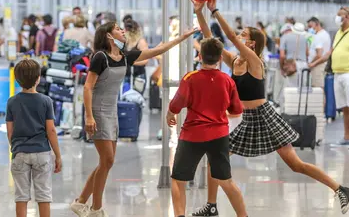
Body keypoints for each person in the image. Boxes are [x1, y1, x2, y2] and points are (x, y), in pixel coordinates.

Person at [192, 0, 349, 216]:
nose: (238, 37)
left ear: (251, 43)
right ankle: (212, 206)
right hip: (244, 119)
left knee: (296, 165)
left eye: (243, 36)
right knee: (216, 157)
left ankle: (340, 188)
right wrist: (200, 12)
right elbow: (210, 38)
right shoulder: (235, 61)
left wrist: (215, 10)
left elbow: (228, 35)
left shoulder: (255, 62)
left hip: (264, 116)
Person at [69, 22, 198, 217]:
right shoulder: (99, 57)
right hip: (98, 110)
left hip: (111, 110)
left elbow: (157, 50)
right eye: (118, 29)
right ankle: (96, 209)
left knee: (106, 162)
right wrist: (89, 116)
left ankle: (80, 202)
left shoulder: (124, 57)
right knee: (108, 160)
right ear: (108, 36)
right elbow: (88, 87)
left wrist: (182, 38)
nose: (122, 31)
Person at [168, 37, 248, 217]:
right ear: (220, 58)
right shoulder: (227, 80)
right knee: (226, 181)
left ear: (200, 56)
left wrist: (170, 113)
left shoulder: (190, 78)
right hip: (219, 136)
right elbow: (236, 110)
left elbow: (176, 104)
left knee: (178, 180)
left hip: (192, 135)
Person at [6, 59, 62, 217]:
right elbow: (51, 130)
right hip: (42, 153)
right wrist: (57, 155)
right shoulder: (46, 101)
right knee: (44, 195)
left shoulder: (12, 102)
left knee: (21, 197)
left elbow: (10, 131)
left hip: (20, 153)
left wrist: (15, 147)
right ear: (38, 78)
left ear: (17, 80)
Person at [313, 7, 349, 147]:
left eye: (340, 16)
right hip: (337, 73)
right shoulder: (339, 32)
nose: (337, 18)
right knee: (344, 107)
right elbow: (330, 53)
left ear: (348, 16)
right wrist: (314, 63)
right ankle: (347, 137)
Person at [279, 22, 308, 87]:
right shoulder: (304, 37)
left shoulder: (284, 37)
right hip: (304, 65)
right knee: (302, 90)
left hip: (292, 66)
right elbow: (307, 53)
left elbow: (282, 56)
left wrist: (281, 68)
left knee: (291, 91)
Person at [124, 20, 149, 94]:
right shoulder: (125, 42)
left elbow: (146, 60)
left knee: (136, 99)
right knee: (125, 99)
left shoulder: (141, 42)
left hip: (138, 76)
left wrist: (132, 62)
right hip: (126, 75)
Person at [306, 17, 331, 88]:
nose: (309, 29)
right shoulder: (325, 34)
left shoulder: (318, 36)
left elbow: (319, 54)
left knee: (318, 89)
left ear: (317, 24)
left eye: (310, 26)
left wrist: (311, 63)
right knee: (320, 89)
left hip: (318, 66)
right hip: (321, 65)